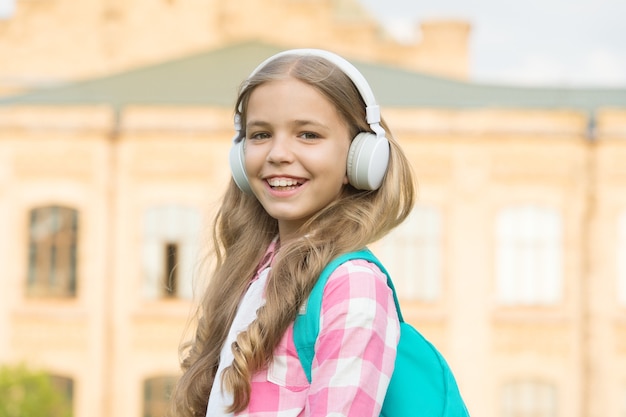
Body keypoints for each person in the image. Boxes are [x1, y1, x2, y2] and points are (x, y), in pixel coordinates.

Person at [169, 48, 416, 417]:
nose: (278, 153)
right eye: (261, 134)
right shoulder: (251, 275)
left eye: (308, 134)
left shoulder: (351, 285)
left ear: (360, 159)